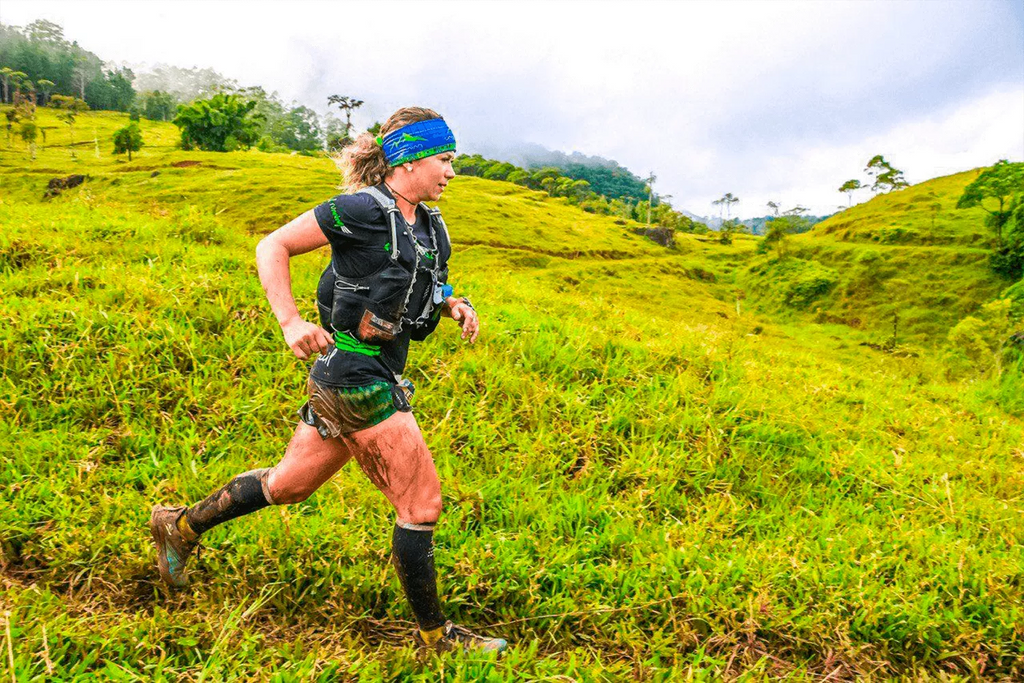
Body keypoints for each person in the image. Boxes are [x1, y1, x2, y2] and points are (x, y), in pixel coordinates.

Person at [149, 107, 507, 654]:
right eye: (444, 158)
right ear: (409, 158)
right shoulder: (359, 209)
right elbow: (273, 246)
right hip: (354, 375)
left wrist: (454, 304)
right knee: (421, 505)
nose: (451, 172)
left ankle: (180, 526)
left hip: (362, 372)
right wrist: (291, 321)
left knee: (287, 486)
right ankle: (437, 637)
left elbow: (416, 283)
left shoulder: (429, 224)